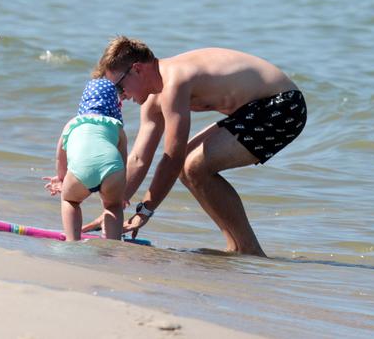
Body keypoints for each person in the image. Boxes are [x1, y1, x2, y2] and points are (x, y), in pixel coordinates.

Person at [90, 36, 307, 256]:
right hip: (253, 109)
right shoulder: (152, 98)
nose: (120, 98)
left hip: (284, 106)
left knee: (192, 166)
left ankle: (249, 249)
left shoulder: (174, 80)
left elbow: (172, 158)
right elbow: (138, 159)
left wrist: (145, 211)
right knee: (190, 167)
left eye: (118, 89)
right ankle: (237, 247)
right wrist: (112, 208)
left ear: (137, 69)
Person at [43, 78, 127, 241]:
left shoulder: (72, 124)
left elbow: (61, 156)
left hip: (80, 171)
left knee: (70, 200)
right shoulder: (116, 126)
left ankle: (72, 240)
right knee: (113, 206)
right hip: (113, 170)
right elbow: (122, 160)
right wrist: (121, 191)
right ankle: (112, 244)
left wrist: (61, 178)